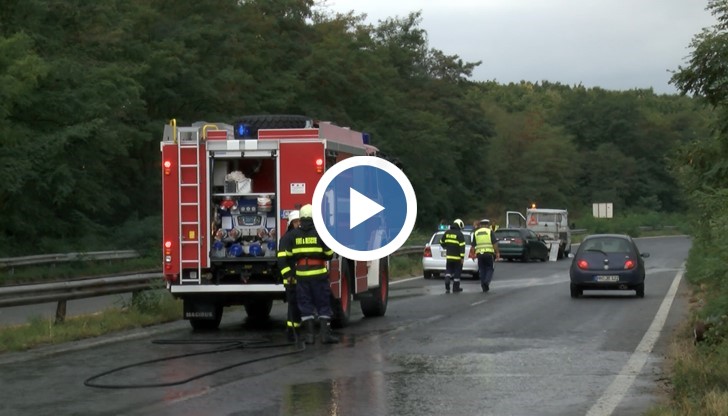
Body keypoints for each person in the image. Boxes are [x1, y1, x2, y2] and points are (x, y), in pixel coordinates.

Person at [279, 204, 339, 344]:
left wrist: (288, 275)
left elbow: (284, 257)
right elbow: (329, 254)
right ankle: (325, 335)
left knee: (305, 304)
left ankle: (309, 337)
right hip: (319, 275)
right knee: (323, 304)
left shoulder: (292, 235)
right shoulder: (321, 233)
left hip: (301, 276)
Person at [277, 210, 301, 343]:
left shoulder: (301, 237)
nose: (298, 224)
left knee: (299, 305)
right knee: (293, 305)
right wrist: (288, 275)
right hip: (291, 278)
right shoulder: (286, 239)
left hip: (303, 277)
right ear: (291, 223)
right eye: (296, 222)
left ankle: (296, 331)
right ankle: (292, 333)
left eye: (300, 221)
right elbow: (282, 260)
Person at [473, 218, 500, 292]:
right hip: (488, 253)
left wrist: (472, 254)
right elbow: (494, 243)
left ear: (481, 225)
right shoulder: (490, 232)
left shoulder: (476, 232)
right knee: (489, 269)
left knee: (482, 270)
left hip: (479, 254)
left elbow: (473, 245)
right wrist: (497, 253)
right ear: (487, 225)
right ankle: (486, 282)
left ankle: (483, 286)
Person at [440, 218, 466, 293]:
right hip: (457, 258)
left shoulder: (447, 232)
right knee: (457, 272)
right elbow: (462, 246)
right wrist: (462, 257)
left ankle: (447, 280)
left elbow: (441, 242)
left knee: (448, 270)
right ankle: (456, 288)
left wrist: (446, 247)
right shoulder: (460, 234)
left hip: (449, 256)